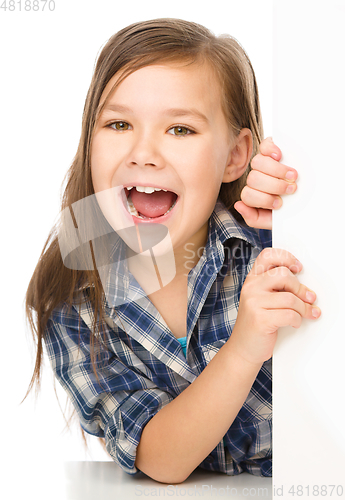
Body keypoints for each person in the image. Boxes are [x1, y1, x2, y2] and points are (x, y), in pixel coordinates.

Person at [25, 18, 320, 484]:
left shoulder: (275, 244)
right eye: (119, 124)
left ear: (235, 156)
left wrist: (308, 214)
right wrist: (243, 348)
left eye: (180, 129)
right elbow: (160, 459)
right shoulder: (73, 306)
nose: (144, 153)